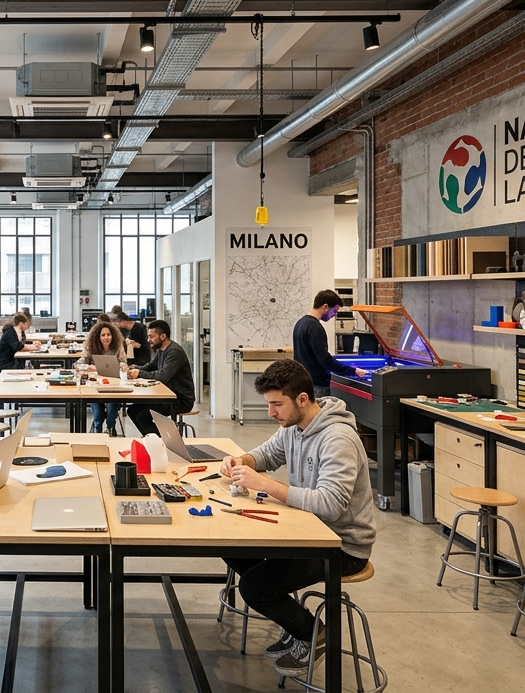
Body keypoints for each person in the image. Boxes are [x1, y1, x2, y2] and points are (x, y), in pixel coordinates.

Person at [218, 359, 376, 677]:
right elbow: (267, 454)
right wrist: (241, 460)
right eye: (269, 404)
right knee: (233, 549)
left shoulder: (337, 439)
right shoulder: (294, 427)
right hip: (309, 529)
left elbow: (331, 505)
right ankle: (294, 621)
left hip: (341, 546)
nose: (271, 413)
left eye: (277, 404)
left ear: (302, 399)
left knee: (254, 588)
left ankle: (314, 633)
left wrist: (266, 485)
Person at [125, 320, 195, 436]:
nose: (148, 340)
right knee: (132, 410)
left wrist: (139, 373)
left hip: (179, 400)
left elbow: (163, 376)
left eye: (151, 337)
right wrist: (134, 368)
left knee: (142, 417)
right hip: (166, 395)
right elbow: (151, 366)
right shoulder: (161, 350)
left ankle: (164, 442)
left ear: (163, 336)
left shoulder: (174, 352)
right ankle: (152, 439)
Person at [293, 290, 364, 400]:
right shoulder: (315, 327)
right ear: (325, 307)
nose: (334, 315)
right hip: (316, 385)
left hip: (303, 381)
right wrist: (353, 370)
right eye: (334, 311)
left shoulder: (301, 323)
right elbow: (325, 359)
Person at [81, 321, 127, 434]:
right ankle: (98, 431)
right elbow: (78, 364)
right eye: (103, 335)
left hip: (114, 385)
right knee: (98, 416)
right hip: (95, 386)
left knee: (112, 408)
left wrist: (121, 366)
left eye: (109, 334)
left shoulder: (118, 347)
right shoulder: (91, 348)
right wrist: (89, 367)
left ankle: (111, 428)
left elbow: (124, 363)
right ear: (98, 337)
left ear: (113, 335)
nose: (106, 337)